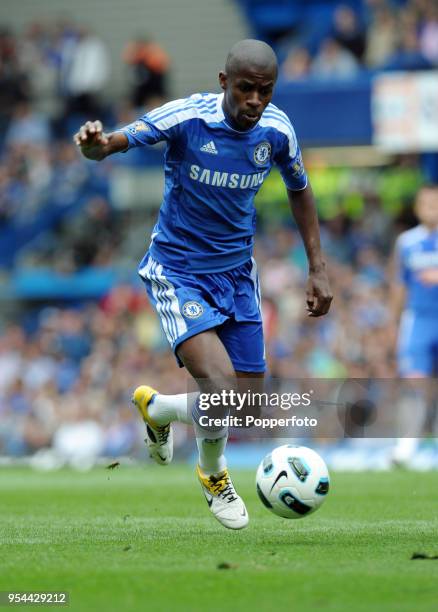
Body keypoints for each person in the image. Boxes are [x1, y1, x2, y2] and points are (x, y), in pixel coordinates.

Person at [74, 39, 332, 529]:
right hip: (179, 272)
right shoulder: (188, 118)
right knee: (218, 385)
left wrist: (317, 266)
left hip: (236, 275)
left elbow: (300, 189)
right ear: (223, 82)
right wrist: (97, 146)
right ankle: (214, 475)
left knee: (248, 407)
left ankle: (160, 409)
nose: (256, 100)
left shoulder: (277, 130)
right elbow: (117, 141)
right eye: (246, 89)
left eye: (265, 91)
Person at [391, 185, 438, 466]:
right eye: (425, 202)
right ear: (417, 207)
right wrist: (394, 321)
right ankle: (407, 445)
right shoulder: (406, 242)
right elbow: (399, 283)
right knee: (414, 381)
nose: (430, 206)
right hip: (418, 319)